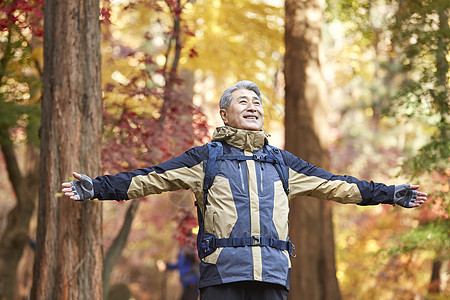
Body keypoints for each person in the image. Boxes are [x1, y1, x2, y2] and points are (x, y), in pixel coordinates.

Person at [62, 80, 427, 300]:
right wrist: (95, 187)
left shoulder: (284, 163)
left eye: (257, 103)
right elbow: (150, 178)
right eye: (243, 101)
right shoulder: (206, 158)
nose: (253, 107)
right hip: (222, 276)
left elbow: (339, 186)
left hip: (272, 276)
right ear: (224, 114)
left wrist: (390, 193)